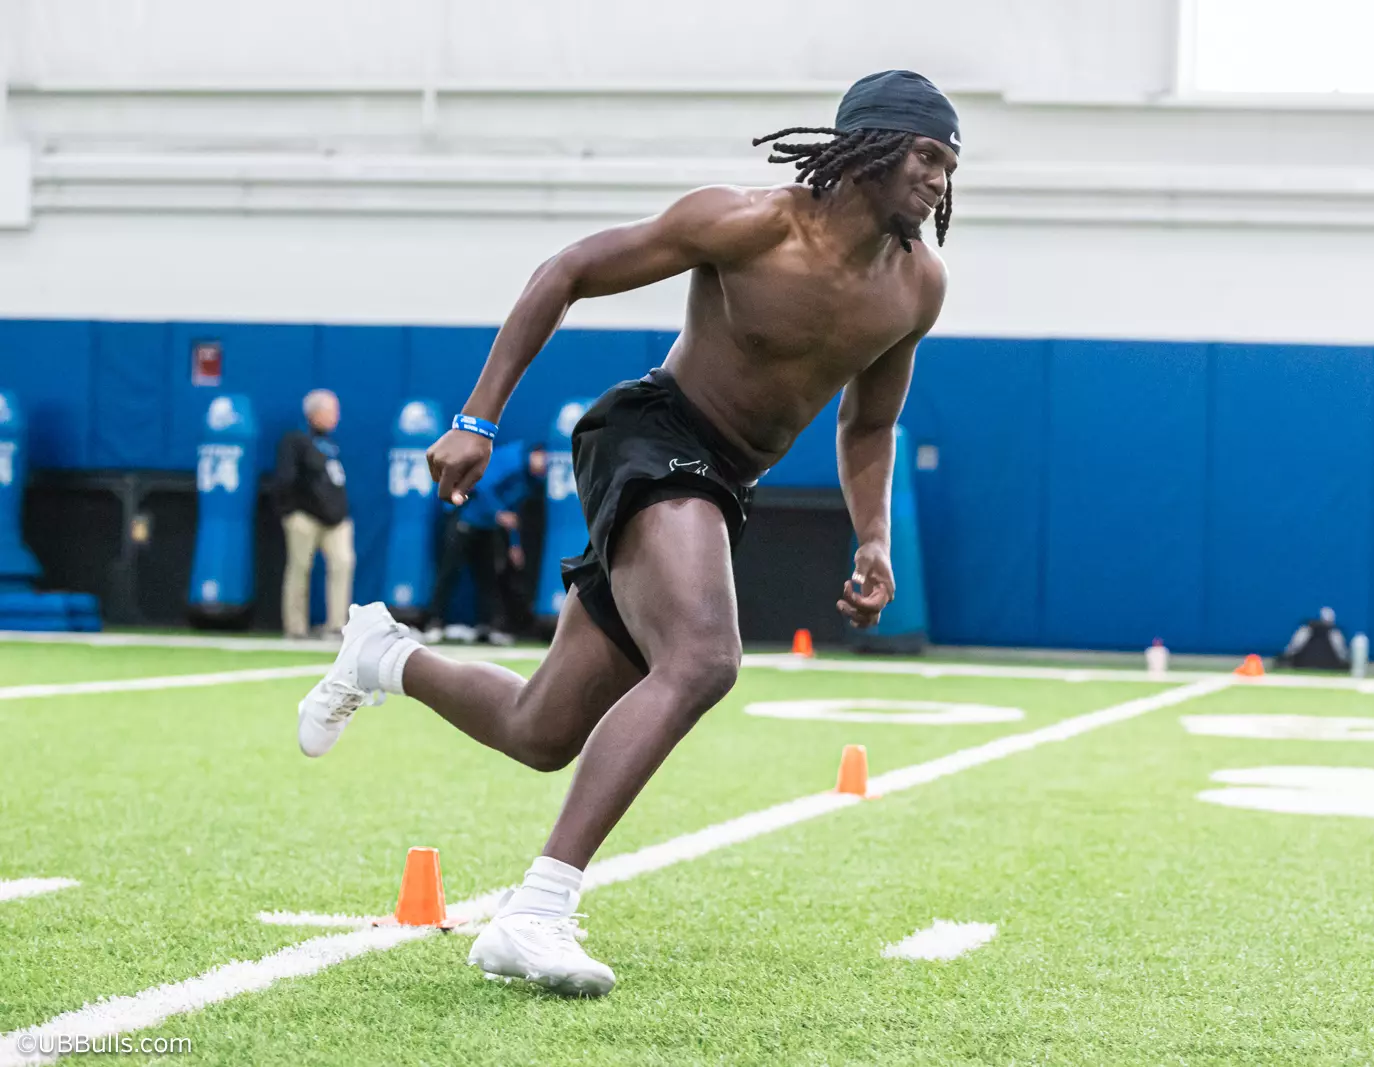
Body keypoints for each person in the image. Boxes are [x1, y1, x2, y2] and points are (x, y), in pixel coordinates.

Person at [297, 70, 958, 995]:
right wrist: (478, 421)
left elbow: (869, 426)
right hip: (651, 435)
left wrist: (875, 538)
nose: (939, 179)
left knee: (541, 729)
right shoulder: (745, 222)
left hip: (720, 480)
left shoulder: (918, 285)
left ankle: (381, 657)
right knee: (703, 657)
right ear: (870, 148)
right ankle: (537, 911)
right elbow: (566, 272)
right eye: (926, 156)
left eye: (951, 164)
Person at [420, 441, 545, 646]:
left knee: (489, 577)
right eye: (543, 459)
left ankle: (489, 626)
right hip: (466, 519)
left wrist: (514, 544)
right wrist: (498, 513)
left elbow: (512, 511)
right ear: (536, 453)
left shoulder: (532, 482)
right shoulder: (511, 461)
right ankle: (433, 623)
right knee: (449, 573)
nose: (545, 466)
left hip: (489, 528)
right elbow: (482, 485)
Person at [275, 389, 352, 639]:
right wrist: (291, 512)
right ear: (315, 413)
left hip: (335, 520)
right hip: (305, 517)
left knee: (342, 564)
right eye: (332, 411)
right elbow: (285, 480)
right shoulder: (295, 440)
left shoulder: (330, 444)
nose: (336, 417)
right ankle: (296, 628)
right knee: (300, 569)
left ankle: (337, 625)